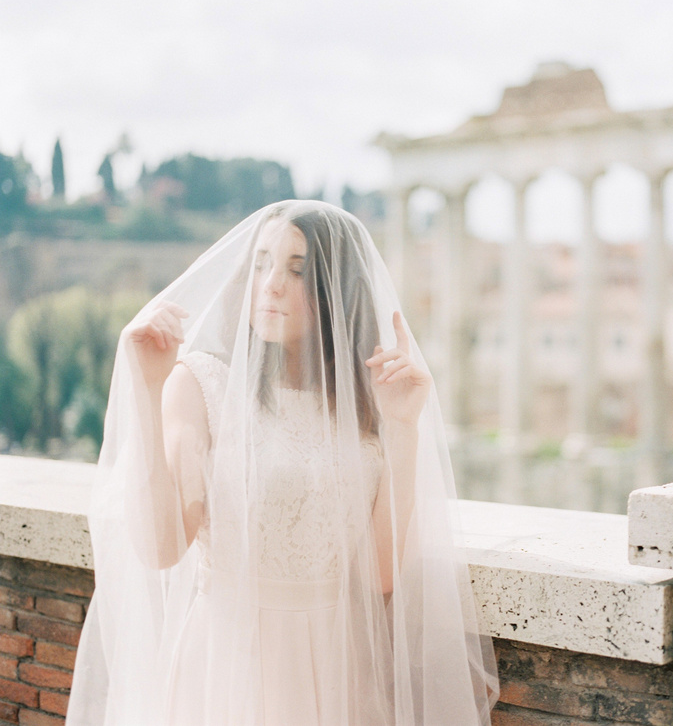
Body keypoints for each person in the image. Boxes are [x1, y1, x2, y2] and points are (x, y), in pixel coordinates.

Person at [67, 201, 498, 725]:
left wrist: (403, 425)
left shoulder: (367, 404)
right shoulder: (202, 385)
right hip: (228, 661)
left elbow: (381, 577)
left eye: (296, 270)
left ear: (337, 291)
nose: (271, 284)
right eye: (262, 263)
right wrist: (147, 388)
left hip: (338, 663)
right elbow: (161, 548)